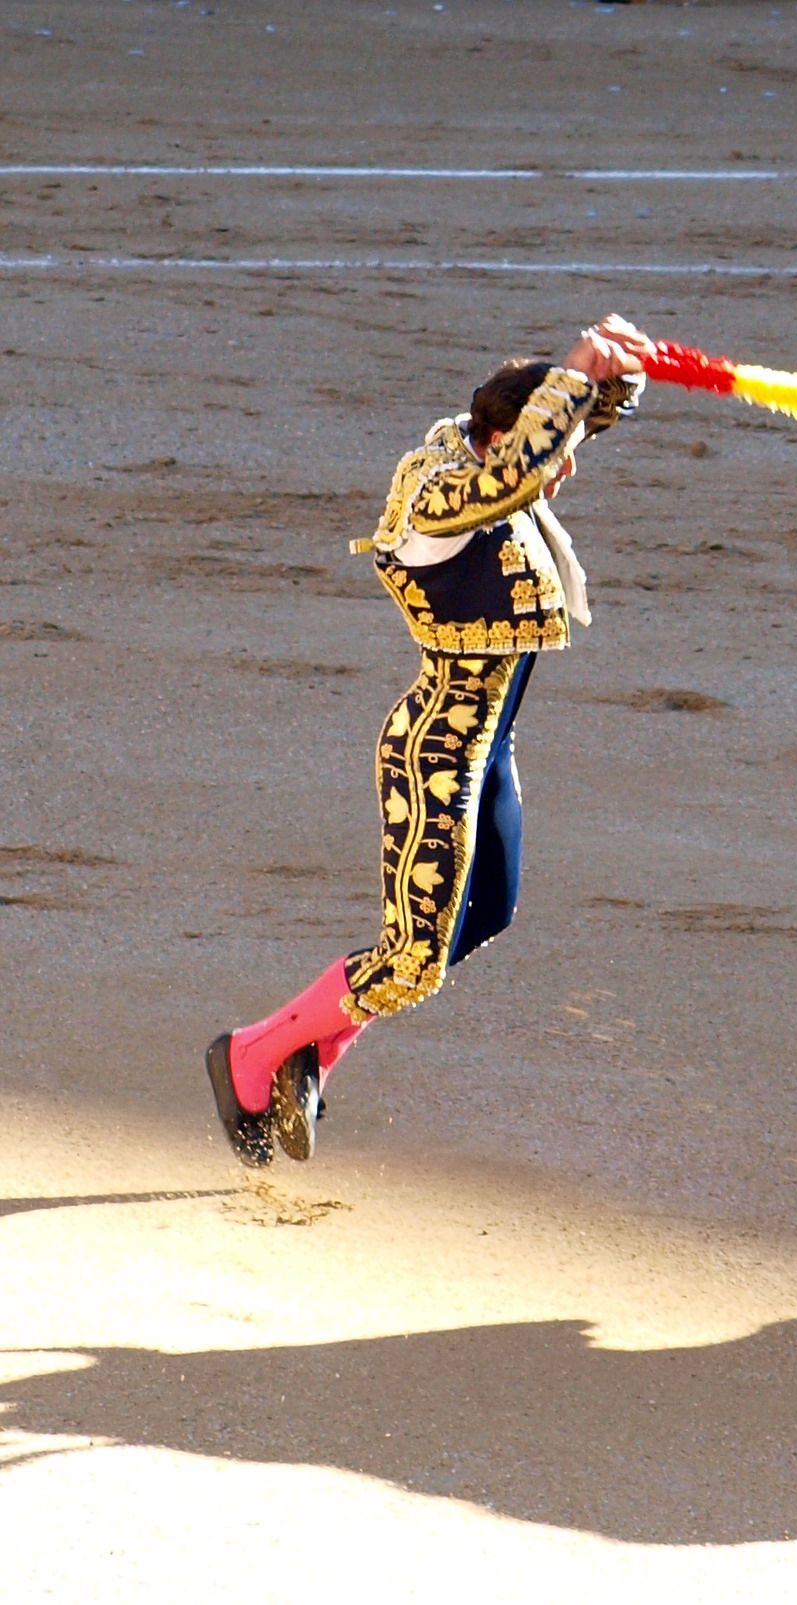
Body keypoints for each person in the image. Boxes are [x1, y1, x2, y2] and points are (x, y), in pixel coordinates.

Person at [206, 315, 655, 1166]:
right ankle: (254, 1053)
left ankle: (309, 1054)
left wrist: (615, 374)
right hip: (436, 754)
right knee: (414, 960)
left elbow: (553, 441)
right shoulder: (437, 499)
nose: (565, 469)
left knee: (483, 916)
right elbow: (521, 470)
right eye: (553, 448)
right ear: (502, 440)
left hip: (487, 751)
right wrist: (571, 375)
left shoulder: (485, 451)